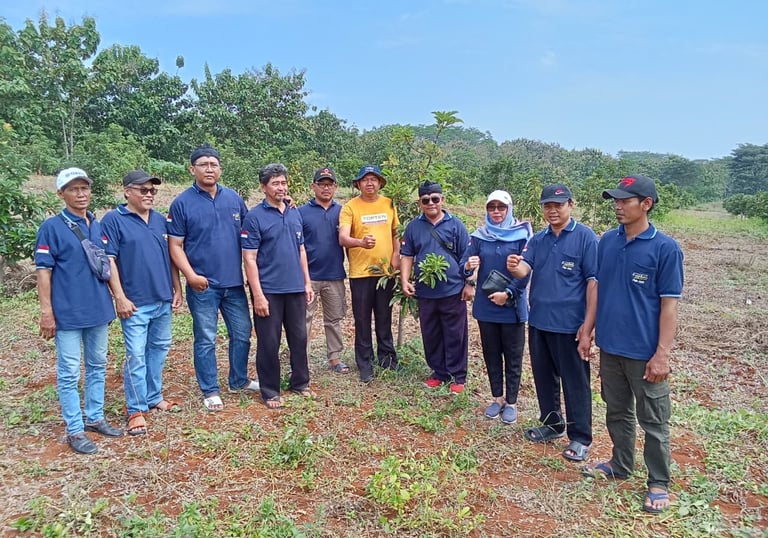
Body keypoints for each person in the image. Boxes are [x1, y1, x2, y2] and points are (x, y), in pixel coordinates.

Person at [580, 175, 683, 515]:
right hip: (611, 348)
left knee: (653, 420)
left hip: (645, 354)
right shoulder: (607, 241)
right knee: (617, 411)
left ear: (646, 204)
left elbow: (669, 305)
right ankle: (620, 464)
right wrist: (588, 330)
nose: (618, 206)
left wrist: (662, 355)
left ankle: (658, 481)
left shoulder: (665, 248)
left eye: (626, 200)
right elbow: (597, 289)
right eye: (616, 200)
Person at [506, 184, 598, 462]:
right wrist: (514, 266)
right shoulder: (538, 240)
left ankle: (580, 437)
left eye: (558, 204)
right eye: (547, 205)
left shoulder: (585, 238)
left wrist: (588, 327)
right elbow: (525, 269)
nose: (552, 210)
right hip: (539, 322)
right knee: (544, 378)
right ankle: (552, 424)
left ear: (571, 205)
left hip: (570, 326)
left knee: (575, 383)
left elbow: (594, 283)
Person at [35, 167, 123, 454]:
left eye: (84, 188)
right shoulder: (51, 227)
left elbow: (107, 266)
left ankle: (94, 416)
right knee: (70, 372)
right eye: (73, 189)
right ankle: (74, 429)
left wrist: (117, 298)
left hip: (98, 309)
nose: (81, 193)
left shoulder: (96, 224)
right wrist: (47, 312)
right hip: (69, 313)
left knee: (97, 365)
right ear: (61, 194)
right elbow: (44, 273)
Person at [167, 143, 258, 412]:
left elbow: (252, 231)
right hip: (203, 285)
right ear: (192, 169)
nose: (209, 168)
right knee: (206, 337)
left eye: (214, 164)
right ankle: (210, 389)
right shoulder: (182, 203)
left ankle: (238, 380)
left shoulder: (233, 199)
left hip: (233, 283)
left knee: (242, 334)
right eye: (204, 164)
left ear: (220, 168)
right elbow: (175, 245)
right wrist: (191, 276)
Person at [101, 170, 184, 436]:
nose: (149, 195)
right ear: (127, 191)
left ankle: (153, 395)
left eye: (152, 191)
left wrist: (176, 288)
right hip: (135, 302)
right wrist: (120, 297)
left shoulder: (160, 220)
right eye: (143, 190)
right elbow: (109, 260)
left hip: (162, 298)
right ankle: (135, 409)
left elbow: (171, 257)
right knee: (136, 356)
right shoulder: (114, 220)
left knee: (158, 349)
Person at [242, 163, 315, 409]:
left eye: (283, 183)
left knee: (299, 337)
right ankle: (270, 390)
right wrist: (258, 295)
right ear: (263, 187)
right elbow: (249, 259)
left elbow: (301, 250)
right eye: (275, 183)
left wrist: (306, 282)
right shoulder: (254, 217)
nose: (281, 187)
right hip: (270, 290)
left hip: (295, 288)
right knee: (269, 342)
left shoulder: (294, 212)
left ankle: (300, 383)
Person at [462, 190, 532, 424]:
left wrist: (509, 293)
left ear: (509, 208)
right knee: (491, 354)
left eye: (501, 207)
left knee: (513, 356)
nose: (496, 212)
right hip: (487, 305)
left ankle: (511, 402)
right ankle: (497, 398)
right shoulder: (480, 236)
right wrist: (468, 267)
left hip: (512, 306)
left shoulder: (522, 235)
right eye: (491, 208)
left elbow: (526, 270)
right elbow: (465, 263)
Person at [400, 181, 473, 393]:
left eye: (435, 199)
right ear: (420, 203)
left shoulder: (456, 225)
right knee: (431, 333)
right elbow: (407, 255)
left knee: (455, 334)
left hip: (453, 290)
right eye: (425, 200)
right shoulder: (413, 226)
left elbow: (467, 258)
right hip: (425, 291)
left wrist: (469, 283)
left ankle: (458, 376)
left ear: (442, 200)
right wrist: (405, 280)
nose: (430, 203)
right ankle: (439, 373)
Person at [338, 164, 401, 382]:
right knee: (362, 320)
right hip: (361, 273)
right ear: (358, 184)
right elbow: (343, 238)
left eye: (374, 179)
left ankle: (387, 359)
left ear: (380, 183)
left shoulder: (388, 204)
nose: (370, 183)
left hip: (386, 273)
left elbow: (396, 234)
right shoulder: (350, 207)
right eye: (365, 180)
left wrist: (396, 258)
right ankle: (364, 363)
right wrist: (360, 242)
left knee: (385, 318)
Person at [299, 168, 349, 374]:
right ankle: (301, 360)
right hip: (308, 276)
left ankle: (335, 357)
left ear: (336, 187)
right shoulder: (300, 212)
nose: (326, 188)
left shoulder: (343, 212)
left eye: (330, 184)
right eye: (322, 184)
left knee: (334, 319)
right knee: (303, 319)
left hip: (334, 274)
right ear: (313, 186)